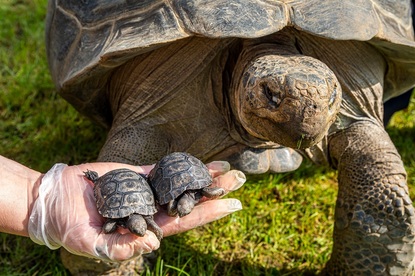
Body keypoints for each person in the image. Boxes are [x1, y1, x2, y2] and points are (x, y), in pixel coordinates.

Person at [0, 155, 245, 261]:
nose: (140, 232)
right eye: (142, 230)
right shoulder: (144, 215)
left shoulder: (150, 211)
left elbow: (164, 207)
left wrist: (39, 195)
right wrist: (46, 202)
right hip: (127, 186)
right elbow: (116, 224)